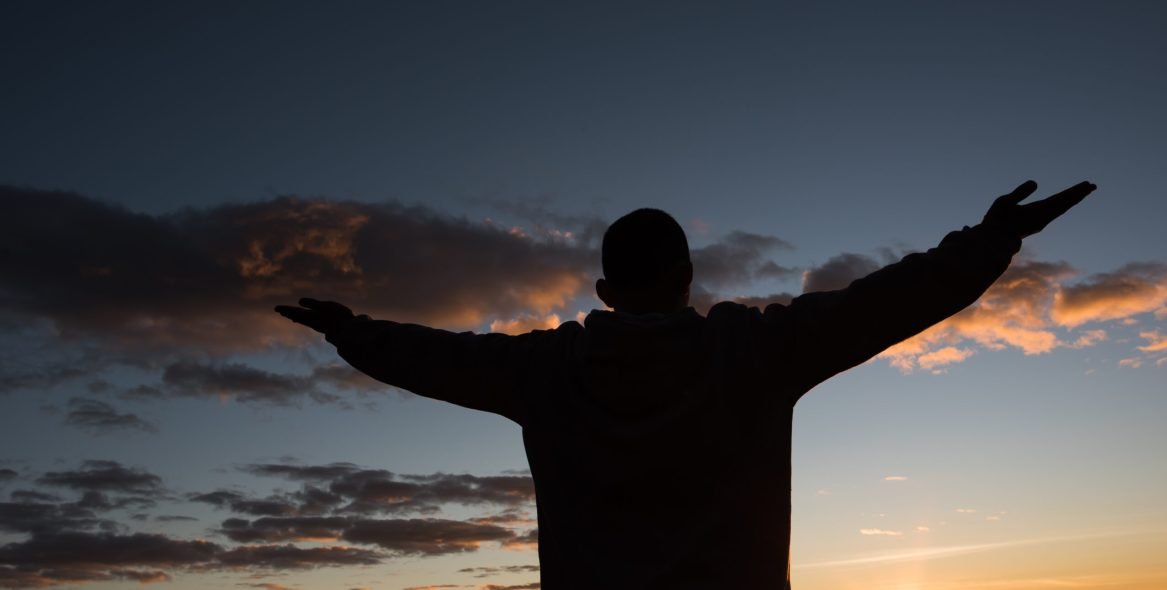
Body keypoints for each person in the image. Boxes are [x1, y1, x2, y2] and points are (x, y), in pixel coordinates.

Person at [276, 179, 1095, 589]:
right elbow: (885, 302)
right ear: (688, 277)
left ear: (604, 292)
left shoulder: (542, 372)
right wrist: (990, 242)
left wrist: (352, 330)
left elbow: (434, 357)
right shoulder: (755, 352)